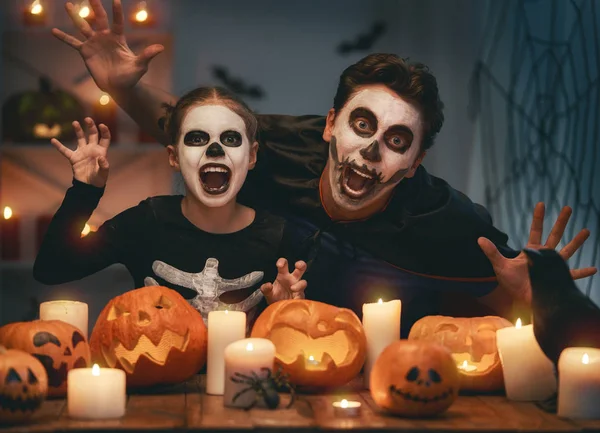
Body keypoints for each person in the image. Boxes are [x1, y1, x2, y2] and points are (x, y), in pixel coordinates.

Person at [51, 0, 596, 335]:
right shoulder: (279, 144)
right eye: (362, 125)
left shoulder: (445, 217)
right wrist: (124, 85)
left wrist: (538, 297)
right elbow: (189, 124)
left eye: (397, 139)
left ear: (414, 162)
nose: (372, 149)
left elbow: (505, 296)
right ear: (332, 123)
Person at [33, 86, 308, 329]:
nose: (215, 150)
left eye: (231, 139)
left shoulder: (280, 238)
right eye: (197, 138)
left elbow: (304, 337)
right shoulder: (147, 222)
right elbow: (52, 268)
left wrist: (286, 309)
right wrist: (85, 191)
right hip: (159, 378)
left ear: (251, 156)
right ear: (174, 157)